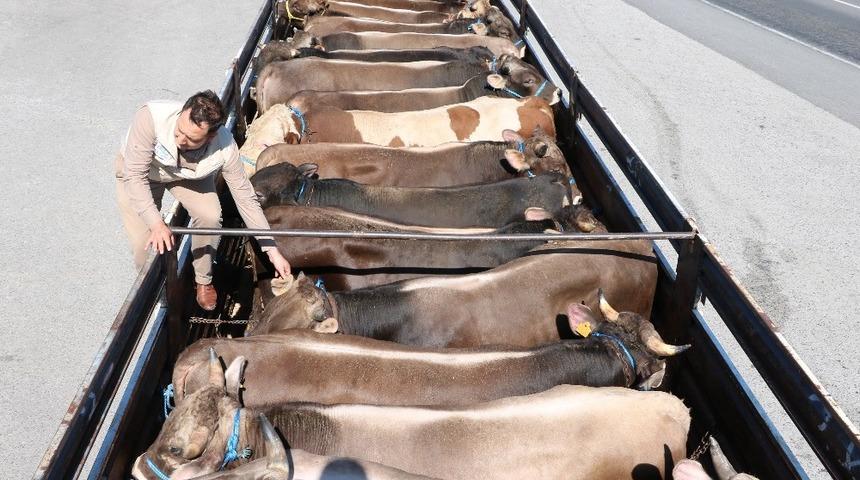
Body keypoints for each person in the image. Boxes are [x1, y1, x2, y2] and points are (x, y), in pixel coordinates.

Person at [115, 90, 290, 311]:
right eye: (179, 132)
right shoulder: (151, 117)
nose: (180, 140)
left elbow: (245, 198)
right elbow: (135, 176)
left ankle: (203, 279)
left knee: (210, 215)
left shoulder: (225, 147)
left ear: (211, 137)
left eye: (191, 139)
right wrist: (156, 223)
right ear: (182, 112)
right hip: (142, 174)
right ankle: (164, 296)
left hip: (187, 175)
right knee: (145, 245)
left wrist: (272, 251)